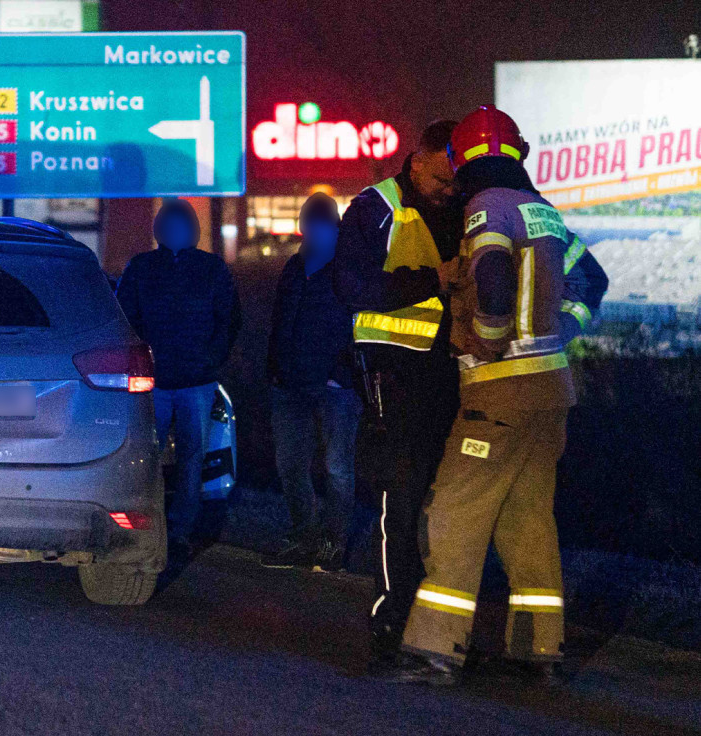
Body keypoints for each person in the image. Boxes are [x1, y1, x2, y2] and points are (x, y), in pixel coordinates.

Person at [386, 106, 607, 685]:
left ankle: (434, 651)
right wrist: (559, 329)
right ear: (517, 153)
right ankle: (539, 653)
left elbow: (490, 277)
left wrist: (488, 338)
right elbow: (593, 281)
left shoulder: (487, 207)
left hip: (498, 394)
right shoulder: (543, 211)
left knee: (452, 515)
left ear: (463, 158)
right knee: (526, 521)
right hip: (550, 394)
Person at [332, 121, 465, 666]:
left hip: (454, 372)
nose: (448, 190)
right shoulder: (375, 208)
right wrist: (433, 279)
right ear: (416, 161)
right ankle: (391, 624)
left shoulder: (466, 205)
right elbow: (352, 287)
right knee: (402, 498)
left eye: (455, 181)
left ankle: (437, 628)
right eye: (440, 179)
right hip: (393, 374)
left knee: (448, 504)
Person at [115, 198, 241, 558]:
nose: (174, 231)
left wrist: (211, 359)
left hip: (196, 381)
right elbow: (125, 318)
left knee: (191, 456)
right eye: (169, 225)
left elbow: (229, 320)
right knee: (146, 454)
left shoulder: (210, 269)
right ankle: (148, 522)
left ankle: (181, 527)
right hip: (154, 381)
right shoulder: (142, 268)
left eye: (180, 225)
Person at [260, 194, 360, 573]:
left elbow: (360, 326)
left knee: (337, 468)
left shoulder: (348, 269)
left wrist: (341, 374)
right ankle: (303, 536)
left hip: (334, 387)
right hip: (290, 383)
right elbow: (280, 321)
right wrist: (275, 369)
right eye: (308, 224)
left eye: (319, 224)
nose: (312, 231)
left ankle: (332, 543)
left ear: (333, 228)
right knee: (290, 465)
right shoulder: (294, 266)